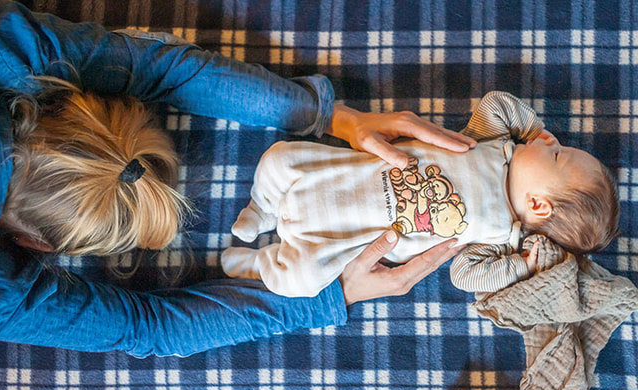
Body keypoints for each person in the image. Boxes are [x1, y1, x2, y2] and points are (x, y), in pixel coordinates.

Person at [0, 2, 474, 357]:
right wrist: (330, 116)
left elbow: (151, 330)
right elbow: (160, 66)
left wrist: (335, 118)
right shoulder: (20, 52)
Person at [221, 91, 619, 297]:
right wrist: (532, 131)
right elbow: (496, 103)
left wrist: (523, 265)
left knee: (301, 280)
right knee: (278, 159)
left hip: (340, 238)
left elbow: (465, 276)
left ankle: (257, 265)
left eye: (557, 153)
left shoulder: (499, 237)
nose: (551, 139)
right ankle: (262, 209)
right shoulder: (493, 143)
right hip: (333, 176)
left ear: (538, 204)